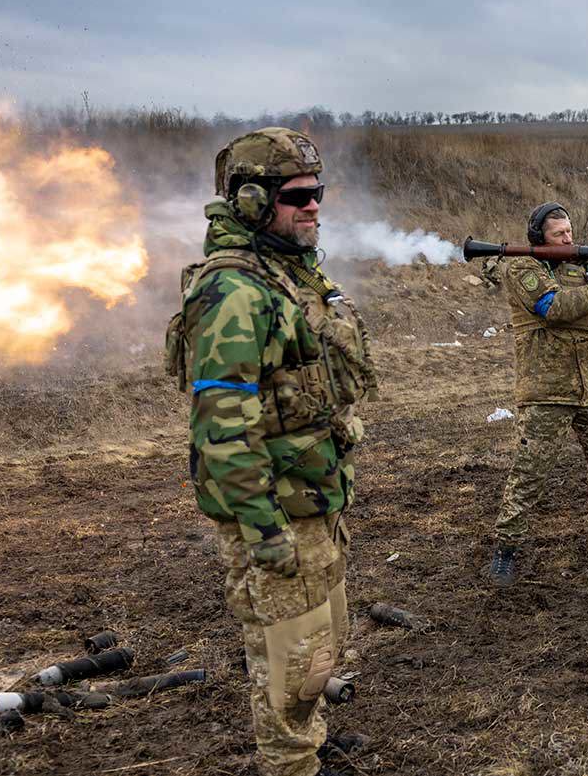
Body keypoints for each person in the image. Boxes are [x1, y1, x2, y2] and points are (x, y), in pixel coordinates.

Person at [165, 127, 376, 776]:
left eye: (320, 193)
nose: (315, 206)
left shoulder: (287, 271)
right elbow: (224, 426)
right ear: (255, 201)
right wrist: (265, 534)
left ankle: (303, 739)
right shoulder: (235, 293)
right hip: (276, 510)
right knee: (291, 660)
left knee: (322, 641)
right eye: (299, 195)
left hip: (312, 497)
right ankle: (291, 761)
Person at [487, 202, 588, 587]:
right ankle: (505, 549)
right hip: (546, 390)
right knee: (530, 474)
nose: (568, 239)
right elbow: (554, 307)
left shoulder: (581, 268)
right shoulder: (522, 267)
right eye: (559, 234)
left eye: (570, 232)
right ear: (539, 236)